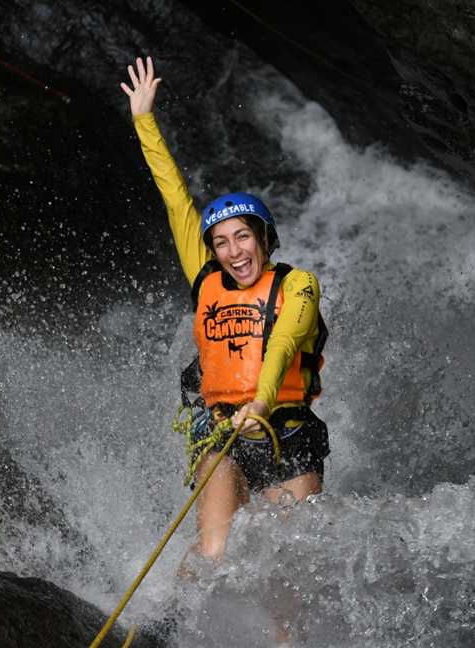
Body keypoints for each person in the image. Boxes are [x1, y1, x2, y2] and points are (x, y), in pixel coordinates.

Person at [120, 56, 329, 562]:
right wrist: (143, 120)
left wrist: (260, 402)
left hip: (287, 433)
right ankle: (173, 630)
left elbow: (282, 340)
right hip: (221, 430)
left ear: (263, 239)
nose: (234, 252)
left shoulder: (299, 284)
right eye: (221, 243)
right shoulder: (206, 277)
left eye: (242, 237)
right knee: (213, 553)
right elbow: (176, 200)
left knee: (290, 566)